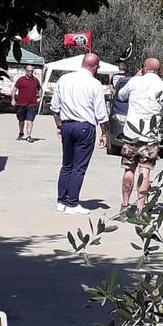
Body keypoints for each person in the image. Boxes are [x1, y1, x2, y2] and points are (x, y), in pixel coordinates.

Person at [50, 54, 108, 215]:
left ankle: (61, 201)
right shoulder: (95, 84)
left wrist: (59, 126)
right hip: (84, 126)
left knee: (66, 164)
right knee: (79, 167)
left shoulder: (64, 79)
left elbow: (54, 107)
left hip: (67, 125)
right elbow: (101, 112)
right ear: (95, 67)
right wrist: (104, 132)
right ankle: (72, 203)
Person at [115, 57, 163, 219]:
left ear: (144, 68)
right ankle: (141, 209)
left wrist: (137, 75)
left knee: (128, 170)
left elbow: (120, 95)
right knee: (145, 172)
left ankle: (125, 206)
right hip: (151, 136)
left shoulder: (135, 82)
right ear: (159, 69)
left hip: (132, 135)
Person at [12, 66, 41, 141]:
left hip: (32, 104)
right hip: (21, 104)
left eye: (31, 71)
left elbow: (40, 89)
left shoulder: (35, 80)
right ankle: (21, 132)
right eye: (28, 71)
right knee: (21, 121)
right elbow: (14, 89)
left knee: (29, 120)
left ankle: (29, 136)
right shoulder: (21, 80)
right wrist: (13, 99)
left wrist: (40, 97)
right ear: (26, 71)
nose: (30, 72)